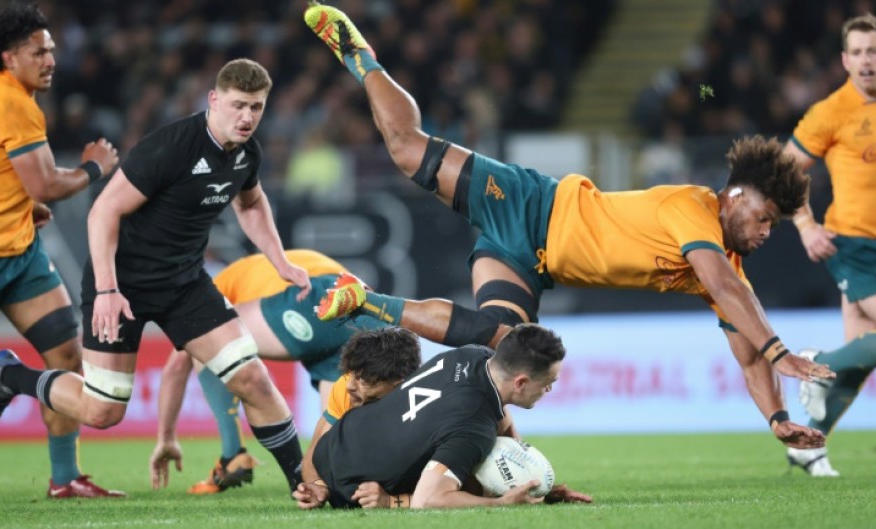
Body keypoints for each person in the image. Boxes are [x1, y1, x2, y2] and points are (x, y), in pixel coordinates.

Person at [304, 2, 833, 450]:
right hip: (529, 203)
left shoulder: (724, 267)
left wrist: (778, 419)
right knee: (405, 149)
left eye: (773, 226)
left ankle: (366, 300)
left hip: (529, 262)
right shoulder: (694, 209)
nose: (765, 232)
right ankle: (360, 55)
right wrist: (782, 350)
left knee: (498, 344)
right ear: (734, 196)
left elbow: (746, 353)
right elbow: (727, 288)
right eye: (763, 218)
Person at [0, 58, 310, 492]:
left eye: (257, 108)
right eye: (238, 105)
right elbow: (103, 212)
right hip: (122, 283)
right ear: (213, 100)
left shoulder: (247, 153)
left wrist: (280, 261)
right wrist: (108, 289)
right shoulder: (171, 146)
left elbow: (251, 203)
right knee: (103, 412)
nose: (247, 117)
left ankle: (305, 484)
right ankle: (10, 376)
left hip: (184, 285)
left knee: (252, 379)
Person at [0, 3, 122, 498]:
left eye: (51, 49)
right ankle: (3, 376)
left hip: (21, 252)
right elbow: (50, 182)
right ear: (10, 57)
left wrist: (18, 205)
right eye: (39, 52)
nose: (51, 59)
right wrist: (95, 167)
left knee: (67, 355)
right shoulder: (12, 102)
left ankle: (63, 478)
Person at [147, 249, 389, 494]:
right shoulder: (253, 270)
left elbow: (176, 368)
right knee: (336, 443)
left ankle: (233, 455)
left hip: (315, 296)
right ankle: (374, 479)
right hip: (358, 303)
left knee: (208, 340)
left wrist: (166, 438)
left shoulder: (207, 290)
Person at [781, 13, 876, 477]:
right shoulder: (831, 112)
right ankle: (815, 363)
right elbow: (787, 169)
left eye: (873, 50)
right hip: (854, 243)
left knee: (862, 357)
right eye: (856, 52)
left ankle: (809, 444)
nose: (865, 60)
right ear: (844, 61)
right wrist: (807, 225)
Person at [294, 324, 589, 509]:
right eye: (549, 380)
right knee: (470, 482)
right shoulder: (473, 427)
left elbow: (500, 417)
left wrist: (531, 483)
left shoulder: (471, 354)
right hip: (351, 490)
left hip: (332, 442)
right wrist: (501, 502)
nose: (550, 387)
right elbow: (428, 499)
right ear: (521, 382)